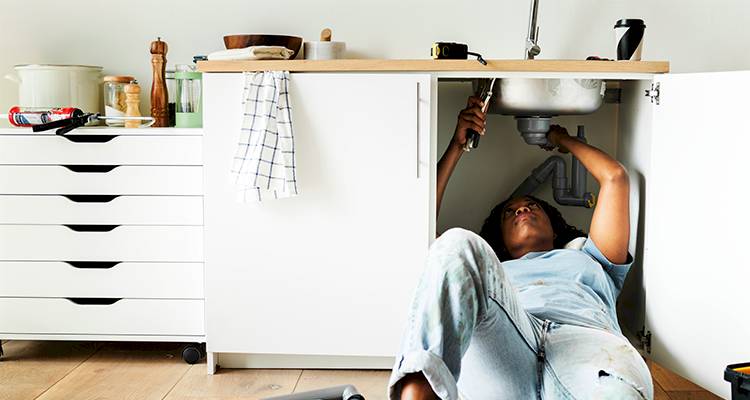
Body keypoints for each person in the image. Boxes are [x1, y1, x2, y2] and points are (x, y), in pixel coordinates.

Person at [388, 96, 653, 400]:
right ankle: (419, 392)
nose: (522, 210)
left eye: (531, 205)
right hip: (505, 341)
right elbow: (420, 230)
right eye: (510, 213)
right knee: (454, 242)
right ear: (499, 240)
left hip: (587, 343)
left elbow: (615, 178)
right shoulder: (492, 272)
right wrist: (456, 146)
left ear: (555, 228)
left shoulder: (591, 257)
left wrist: (561, 139)